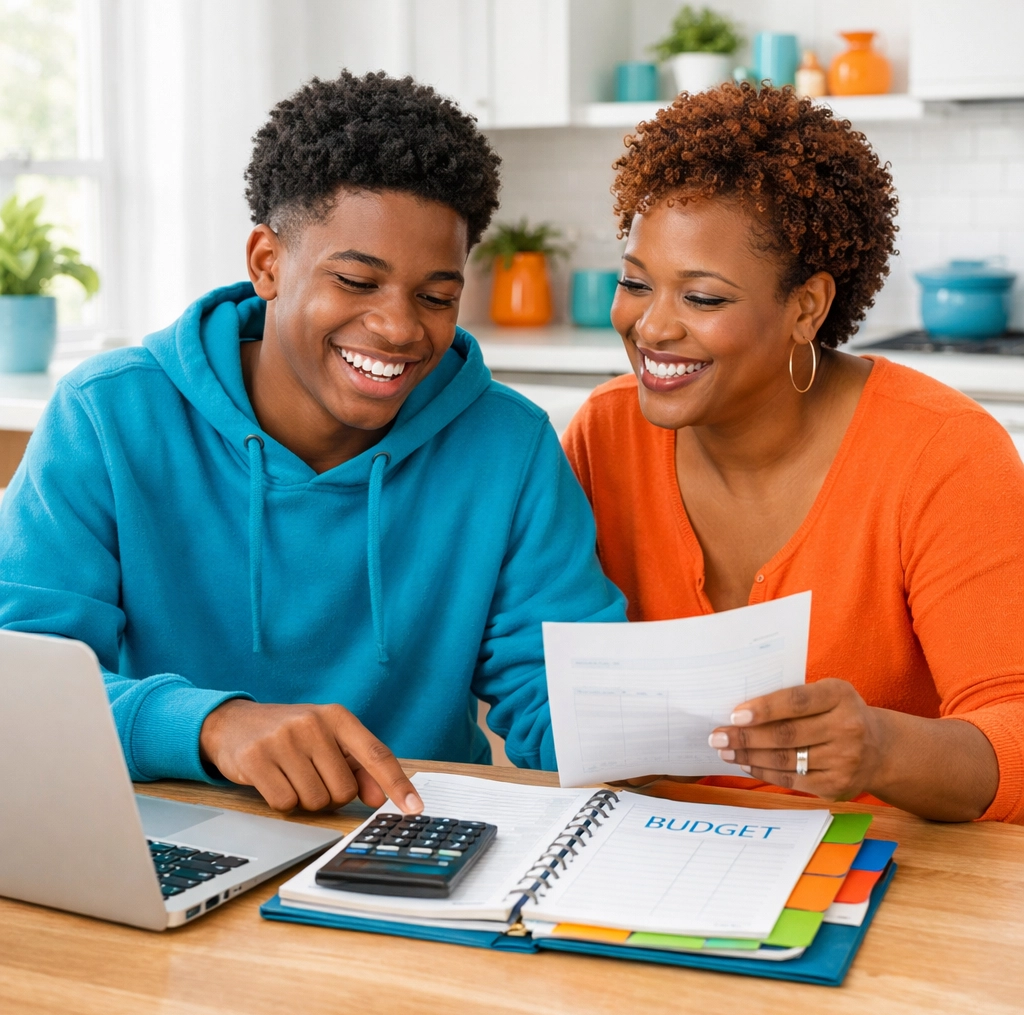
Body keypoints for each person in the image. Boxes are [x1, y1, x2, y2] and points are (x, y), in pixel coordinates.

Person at [0, 72, 624, 815]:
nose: (399, 328)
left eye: (436, 296)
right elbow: (24, 683)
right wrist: (210, 726)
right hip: (172, 832)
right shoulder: (108, 417)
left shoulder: (508, 446)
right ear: (266, 262)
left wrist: (698, 733)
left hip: (410, 840)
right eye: (358, 281)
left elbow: (558, 697)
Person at [564, 83, 1024, 824]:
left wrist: (881, 749)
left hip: (894, 874)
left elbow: (1015, 727)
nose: (650, 328)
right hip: (655, 859)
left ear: (806, 307)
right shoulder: (604, 435)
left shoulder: (942, 454)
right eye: (635, 283)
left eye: (703, 299)